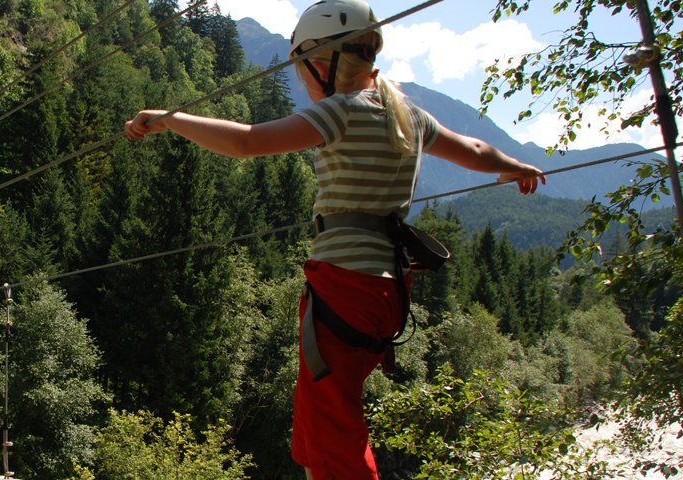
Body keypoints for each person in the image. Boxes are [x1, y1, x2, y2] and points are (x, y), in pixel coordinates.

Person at [123, 1, 545, 478]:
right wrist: (514, 167)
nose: (303, 80)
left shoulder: (339, 112)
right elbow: (474, 149)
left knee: (333, 429)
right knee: (319, 418)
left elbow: (245, 141)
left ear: (321, 63)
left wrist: (170, 119)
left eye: (302, 68)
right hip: (387, 290)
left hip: (345, 285)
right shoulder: (408, 116)